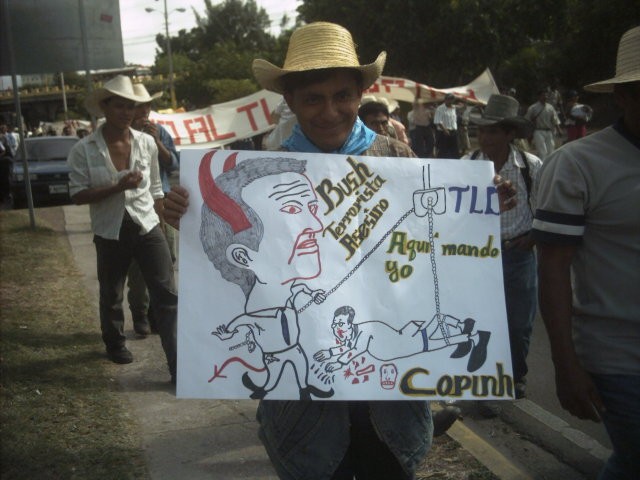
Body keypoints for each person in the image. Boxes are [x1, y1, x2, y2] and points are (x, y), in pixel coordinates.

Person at [165, 22, 516, 480]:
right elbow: (230, 261)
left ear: (361, 95)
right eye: (313, 98)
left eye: (342, 96)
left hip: (389, 404)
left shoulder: (398, 159)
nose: (329, 112)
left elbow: (434, 244)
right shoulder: (266, 172)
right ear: (290, 101)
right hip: (305, 419)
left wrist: (479, 208)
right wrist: (187, 215)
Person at [532, 26, 640, 480]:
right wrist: (565, 364)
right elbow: (552, 268)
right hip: (621, 359)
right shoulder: (576, 164)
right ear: (623, 96)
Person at [66, 75, 177, 383]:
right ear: (104, 107)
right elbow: (77, 195)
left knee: (167, 294)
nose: (127, 112)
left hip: (147, 225)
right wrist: (117, 187)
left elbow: (156, 189)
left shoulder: (146, 143)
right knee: (112, 292)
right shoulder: (84, 149)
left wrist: (162, 224)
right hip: (110, 230)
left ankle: (179, 364)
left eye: (131, 106)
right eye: (120, 106)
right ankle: (115, 343)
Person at [464, 94, 541, 402]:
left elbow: (547, 208)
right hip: (479, 257)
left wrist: (533, 236)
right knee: (479, 321)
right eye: (481, 131)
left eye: (493, 131)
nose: (484, 138)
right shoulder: (467, 165)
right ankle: (484, 378)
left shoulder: (530, 166)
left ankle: (516, 376)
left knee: (519, 323)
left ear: (510, 134)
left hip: (518, 254)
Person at [126, 83, 180, 336]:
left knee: (167, 259)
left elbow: (173, 164)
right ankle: (140, 313)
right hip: (136, 206)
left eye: (147, 106)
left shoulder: (160, 131)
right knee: (138, 268)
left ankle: (161, 314)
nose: (145, 111)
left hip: (162, 203)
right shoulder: (123, 136)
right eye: (139, 106)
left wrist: (156, 141)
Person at [524, 89, 562, 160]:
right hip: (538, 131)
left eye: (546, 95)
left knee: (551, 150)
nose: (545, 97)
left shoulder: (550, 107)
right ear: (539, 97)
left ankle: (550, 165)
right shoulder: (533, 108)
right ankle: (543, 165)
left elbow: (555, 119)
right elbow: (527, 119)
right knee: (542, 151)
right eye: (543, 95)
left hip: (549, 131)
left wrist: (559, 129)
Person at [433, 93, 459, 158]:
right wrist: (444, 130)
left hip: (453, 131)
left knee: (454, 151)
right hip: (444, 132)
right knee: (443, 151)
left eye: (452, 99)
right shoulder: (440, 108)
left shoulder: (453, 108)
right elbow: (438, 120)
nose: (450, 101)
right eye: (449, 99)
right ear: (445, 100)